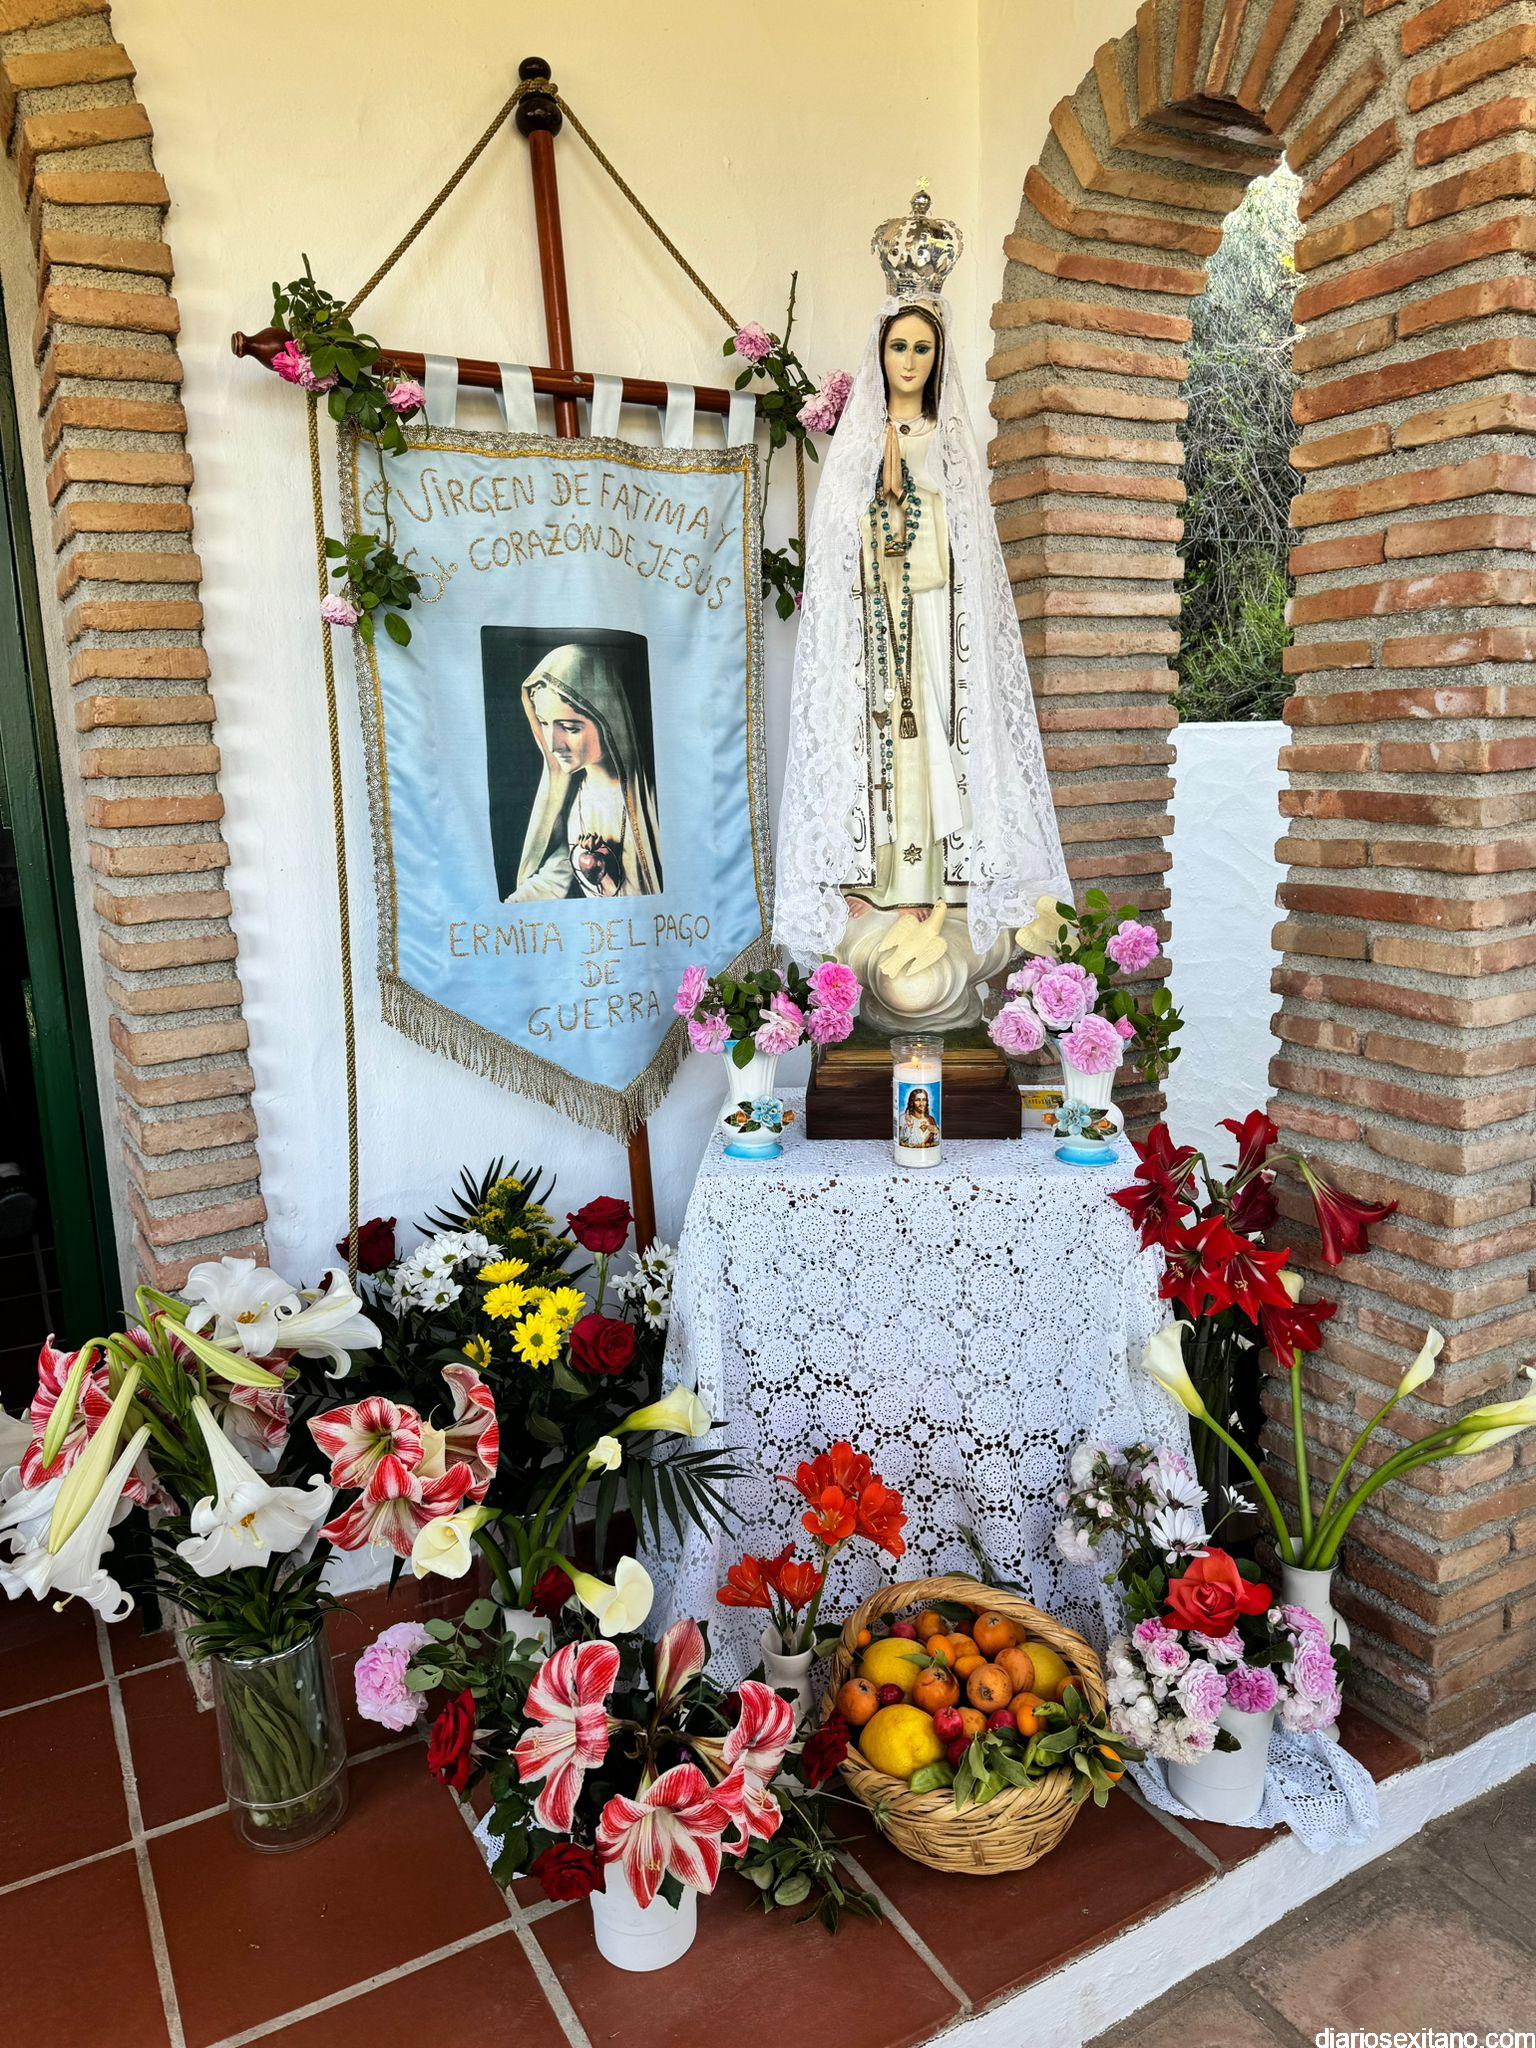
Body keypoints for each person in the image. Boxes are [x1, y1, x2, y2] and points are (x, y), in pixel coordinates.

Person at [506, 642, 663, 901]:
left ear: (607, 720)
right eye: (543, 723)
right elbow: (556, 877)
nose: (553, 745)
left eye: (570, 728)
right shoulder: (573, 797)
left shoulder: (653, 798)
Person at [897, 1084, 939, 1150]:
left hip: (928, 1153)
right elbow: (900, 1140)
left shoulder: (931, 1119)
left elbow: (935, 1142)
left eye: (924, 1100)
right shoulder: (904, 1118)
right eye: (918, 1100)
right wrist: (909, 1127)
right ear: (912, 1102)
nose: (921, 1103)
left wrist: (936, 1133)